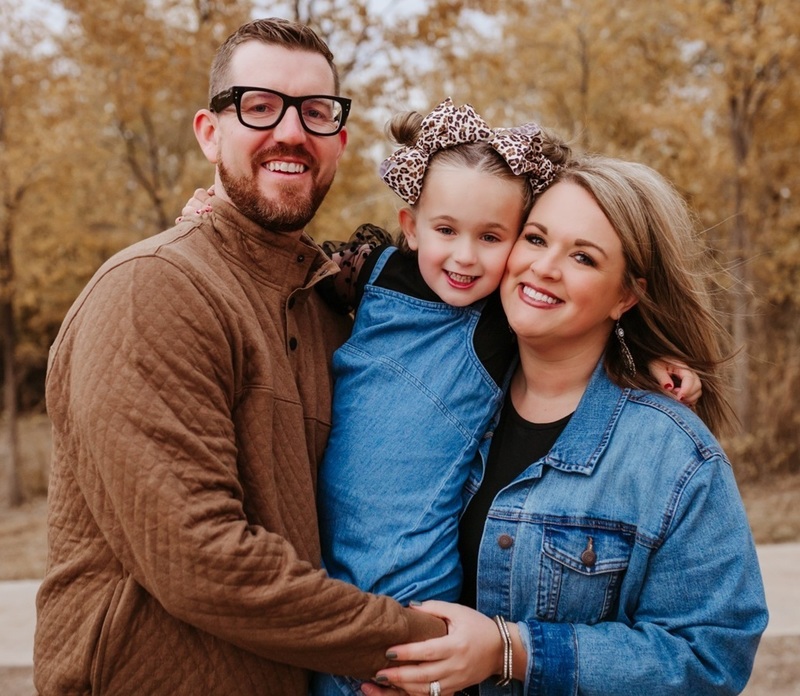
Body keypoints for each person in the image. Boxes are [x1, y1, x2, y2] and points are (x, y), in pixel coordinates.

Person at [182, 101, 701, 696]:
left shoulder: (495, 321)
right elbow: (286, 270)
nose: (464, 257)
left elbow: (577, 318)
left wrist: (648, 353)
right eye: (446, 230)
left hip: (409, 594)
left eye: (492, 238)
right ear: (410, 226)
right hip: (323, 587)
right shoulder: (366, 273)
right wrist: (218, 225)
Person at [33, 17, 447, 696]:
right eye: (259, 106)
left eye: (316, 113)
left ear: (339, 142)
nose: (291, 132)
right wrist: (418, 644)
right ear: (209, 131)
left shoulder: (328, 310)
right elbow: (198, 559)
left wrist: (632, 363)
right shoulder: (154, 288)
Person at [363, 155, 769, 696]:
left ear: (626, 295)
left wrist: (512, 651)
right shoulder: (448, 392)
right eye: (534, 239)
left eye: (582, 256)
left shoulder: (672, 456)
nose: (544, 267)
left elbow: (709, 659)